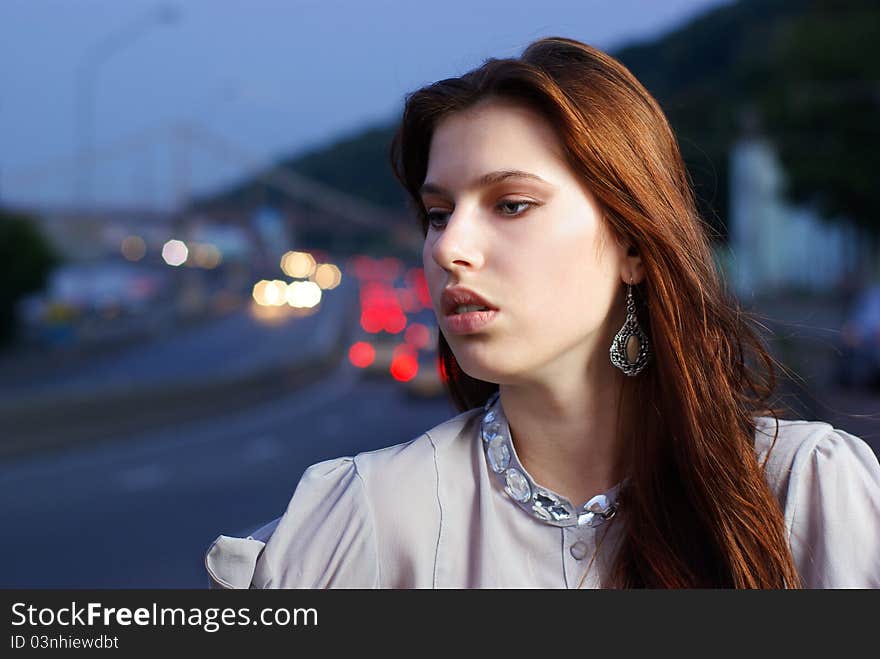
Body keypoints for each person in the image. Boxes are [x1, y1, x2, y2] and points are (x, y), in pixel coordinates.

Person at [205, 36, 880, 589]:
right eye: (438, 214)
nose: (450, 248)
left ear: (634, 244)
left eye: (511, 204)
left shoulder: (805, 491)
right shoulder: (362, 517)